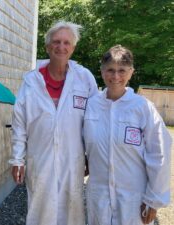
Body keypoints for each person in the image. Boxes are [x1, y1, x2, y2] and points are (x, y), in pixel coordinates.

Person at [9, 21, 98, 225]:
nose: (61, 47)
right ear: (48, 47)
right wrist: (17, 159)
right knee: (41, 207)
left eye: (67, 42)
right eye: (56, 42)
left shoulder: (84, 79)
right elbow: (20, 122)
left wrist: (91, 156)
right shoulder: (32, 81)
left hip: (73, 157)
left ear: (73, 48)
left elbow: (95, 121)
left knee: (72, 208)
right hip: (40, 156)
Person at [83, 45, 172, 225]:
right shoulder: (91, 106)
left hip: (133, 198)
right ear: (102, 71)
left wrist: (153, 200)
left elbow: (159, 153)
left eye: (122, 70)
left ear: (131, 72)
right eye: (110, 70)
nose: (116, 76)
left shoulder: (142, 108)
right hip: (98, 195)